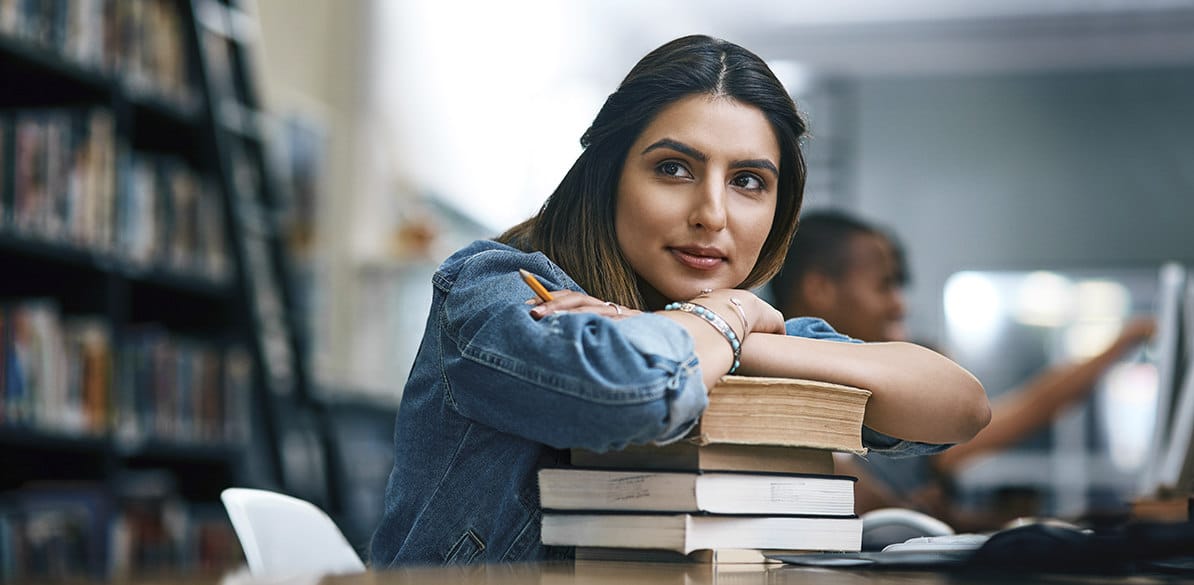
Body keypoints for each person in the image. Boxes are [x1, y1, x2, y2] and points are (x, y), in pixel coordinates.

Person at [369, 35, 990, 567]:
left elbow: (959, 407)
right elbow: (635, 389)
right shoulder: (494, 287)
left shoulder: (738, 332)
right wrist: (723, 315)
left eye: (748, 181)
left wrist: (725, 330)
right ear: (609, 174)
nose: (712, 214)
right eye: (673, 169)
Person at [773, 210, 1155, 529]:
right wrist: (1127, 339)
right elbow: (1030, 408)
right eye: (884, 286)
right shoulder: (780, 399)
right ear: (820, 288)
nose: (899, 305)